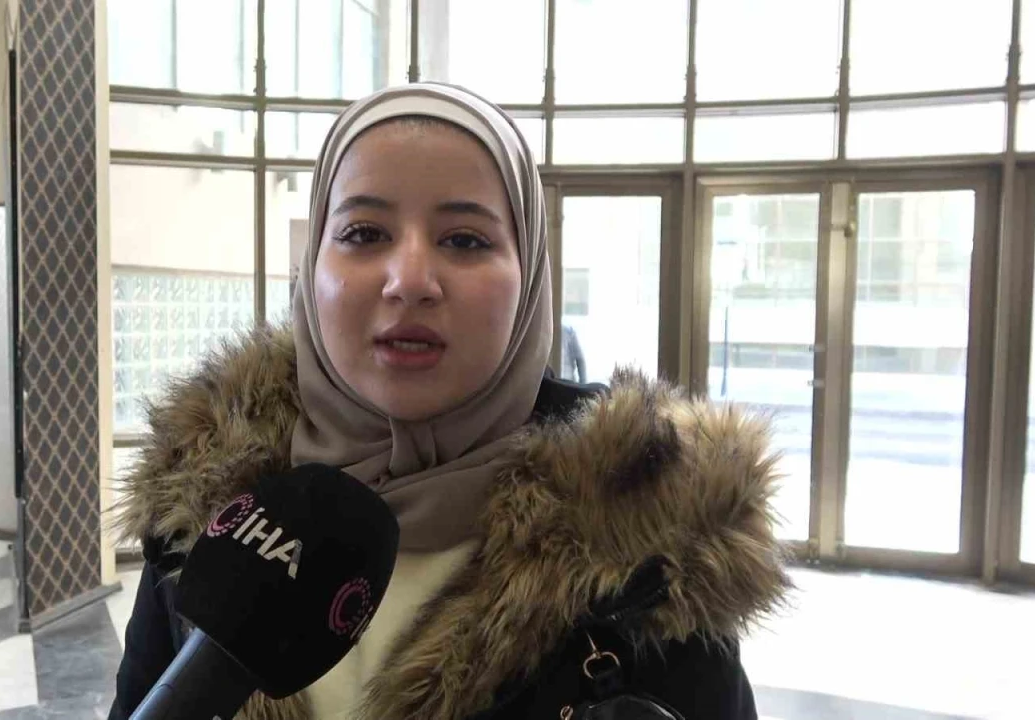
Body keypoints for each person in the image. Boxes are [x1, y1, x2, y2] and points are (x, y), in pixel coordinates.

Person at [109, 83, 788, 720]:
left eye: (464, 240)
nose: (409, 280)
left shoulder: (647, 541)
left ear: (530, 277)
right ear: (312, 267)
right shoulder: (209, 504)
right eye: (364, 234)